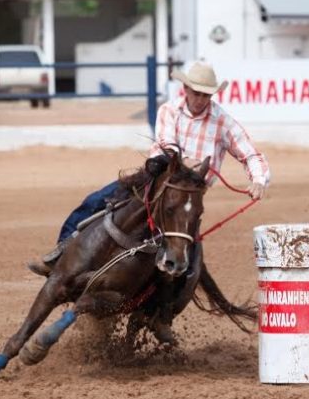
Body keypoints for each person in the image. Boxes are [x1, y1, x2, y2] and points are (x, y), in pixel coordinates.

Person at [28, 61, 271, 341]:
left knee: (186, 263)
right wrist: (184, 162)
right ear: (186, 89)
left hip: (185, 201)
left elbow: (252, 154)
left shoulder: (223, 122)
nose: (201, 99)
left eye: (206, 95)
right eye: (197, 93)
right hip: (154, 183)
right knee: (94, 202)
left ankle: (161, 314)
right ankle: (58, 256)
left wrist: (258, 179)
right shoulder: (169, 110)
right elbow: (165, 145)